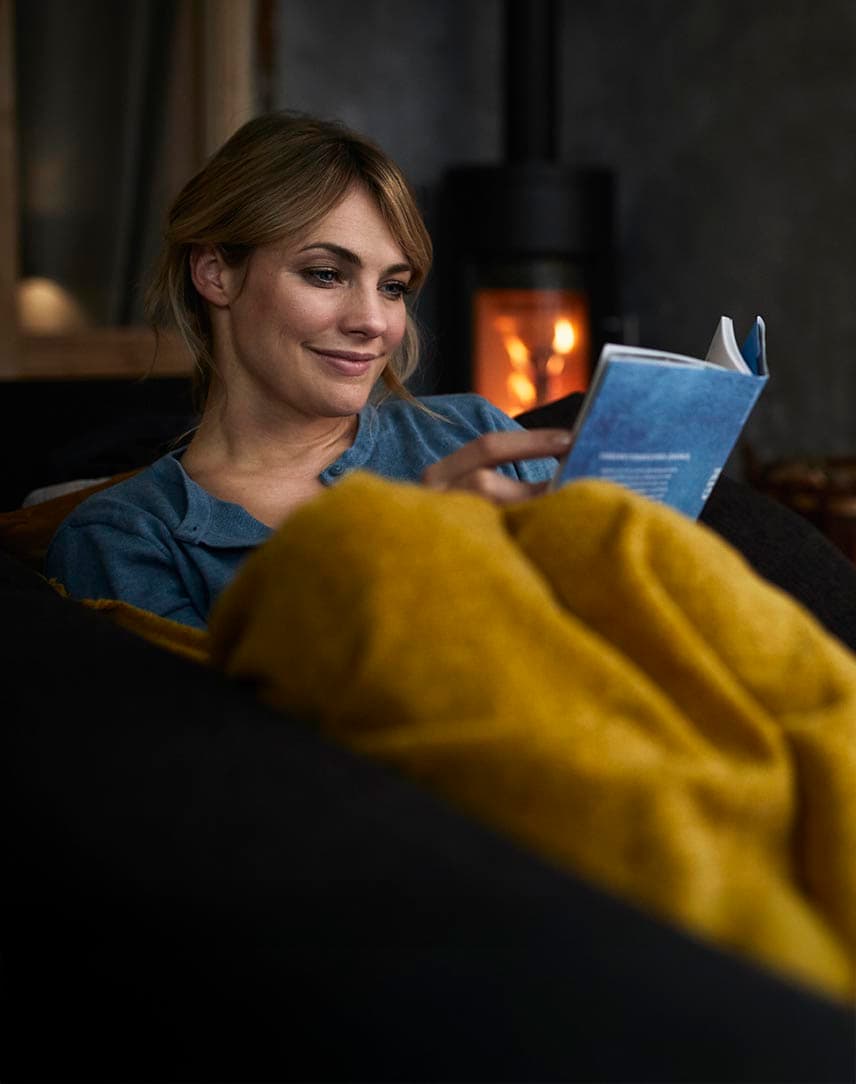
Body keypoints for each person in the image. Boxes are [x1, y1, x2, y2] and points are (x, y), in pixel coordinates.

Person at [45, 111, 572, 629]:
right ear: (215, 273)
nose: (373, 322)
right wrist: (412, 559)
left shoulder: (473, 433)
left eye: (392, 287)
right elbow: (229, 694)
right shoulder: (124, 537)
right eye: (325, 274)